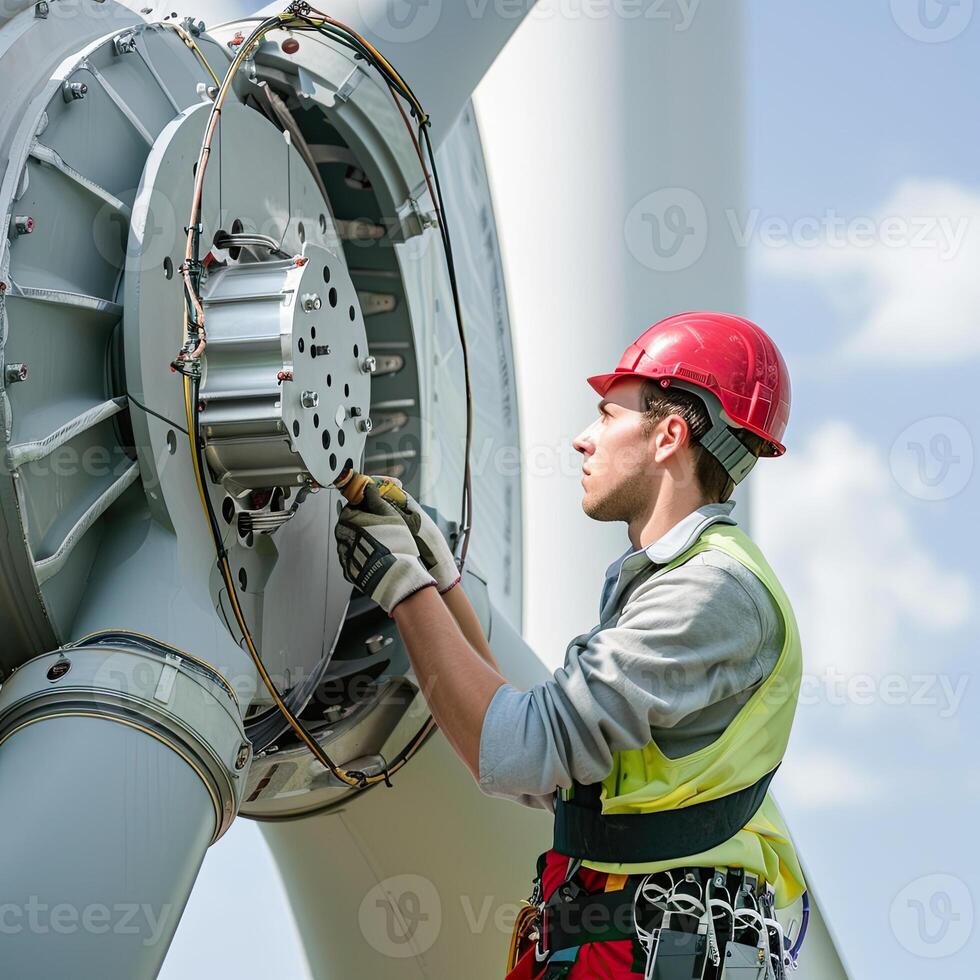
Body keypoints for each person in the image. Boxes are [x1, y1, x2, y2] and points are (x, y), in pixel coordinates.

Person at [334, 312, 806, 979]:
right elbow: (548, 758)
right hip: (616, 941)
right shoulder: (669, 581)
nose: (584, 440)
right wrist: (439, 582)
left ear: (670, 435)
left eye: (609, 416)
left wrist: (401, 588)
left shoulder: (709, 590)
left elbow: (515, 751)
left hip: (641, 948)